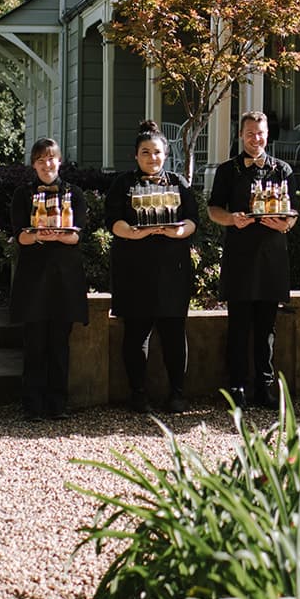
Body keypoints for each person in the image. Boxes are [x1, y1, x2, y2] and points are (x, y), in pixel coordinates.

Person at [104, 121, 199, 413]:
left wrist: (177, 232)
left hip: (173, 269)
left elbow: (193, 221)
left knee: (173, 333)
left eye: (156, 152)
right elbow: (113, 222)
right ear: (136, 155)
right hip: (135, 270)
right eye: (145, 152)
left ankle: (177, 393)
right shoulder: (123, 184)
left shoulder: (178, 183)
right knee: (136, 334)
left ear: (165, 154)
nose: (152, 158)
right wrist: (134, 232)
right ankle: (138, 393)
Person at [207, 111, 295, 409]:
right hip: (240, 256)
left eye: (260, 133)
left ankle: (265, 388)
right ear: (240, 135)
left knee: (267, 329)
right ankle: (237, 388)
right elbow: (213, 209)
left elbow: (291, 217)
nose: (255, 138)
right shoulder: (227, 170)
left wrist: (283, 224)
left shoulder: (282, 170)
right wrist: (231, 219)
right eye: (249, 133)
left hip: (271, 256)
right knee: (239, 327)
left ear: (267, 135)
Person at [11, 138, 89, 419]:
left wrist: (54, 236)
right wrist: (37, 235)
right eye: (41, 159)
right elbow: (20, 236)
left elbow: (76, 236)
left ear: (60, 161)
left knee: (59, 344)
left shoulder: (74, 193)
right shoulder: (22, 194)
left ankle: (57, 404)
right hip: (33, 277)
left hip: (64, 278)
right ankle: (31, 405)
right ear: (33, 164)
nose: (47, 164)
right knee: (34, 344)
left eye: (51, 158)